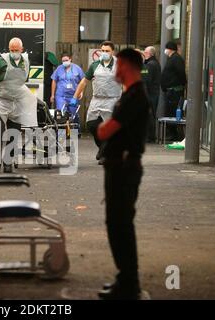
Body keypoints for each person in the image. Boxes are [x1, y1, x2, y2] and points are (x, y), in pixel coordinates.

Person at [97, 48, 151, 300]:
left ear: (128, 66)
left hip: (124, 169)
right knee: (117, 224)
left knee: (121, 225)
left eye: (118, 65)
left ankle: (130, 284)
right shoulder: (129, 94)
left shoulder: (135, 96)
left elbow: (106, 131)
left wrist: (104, 128)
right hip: (119, 166)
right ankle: (124, 279)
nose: (115, 70)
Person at [69, 41, 122, 164]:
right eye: (102, 50)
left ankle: (105, 154)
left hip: (113, 100)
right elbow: (84, 82)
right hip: (97, 100)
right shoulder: (95, 65)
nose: (104, 53)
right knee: (91, 125)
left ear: (112, 52)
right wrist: (75, 97)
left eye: (107, 51)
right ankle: (102, 148)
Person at [0, 37, 37, 174]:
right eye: (12, 50)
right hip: (1, 101)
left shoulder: (26, 62)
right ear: (9, 50)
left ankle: (8, 163)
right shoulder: (1, 62)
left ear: (22, 50)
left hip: (17, 102)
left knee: (14, 133)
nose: (14, 52)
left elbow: (24, 81)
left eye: (16, 50)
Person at [50, 53, 85, 134]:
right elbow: (54, 81)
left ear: (70, 59)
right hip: (61, 95)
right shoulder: (59, 69)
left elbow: (83, 81)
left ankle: (75, 133)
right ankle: (61, 133)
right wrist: (52, 94)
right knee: (61, 113)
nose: (65, 62)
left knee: (73, 114)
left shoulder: (77, 68)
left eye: (66, 60)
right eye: (63, 61)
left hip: (73, 95)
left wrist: (81, 92)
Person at [160, 41, 186, 141]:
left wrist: (180, 85)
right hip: (171, 91)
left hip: (174, 91)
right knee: (170, 111)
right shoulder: (172, 58)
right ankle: (172, 133)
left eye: (166, 48)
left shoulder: (176, 59)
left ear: (170, 49)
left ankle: (174, 134)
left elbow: (181, 74)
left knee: (172, 112)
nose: (165, 51)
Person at [144, 46, 161, 142]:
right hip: (154, 93)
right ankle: (150, 136)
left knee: (149, 115)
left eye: (145, 52)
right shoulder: (155, 63)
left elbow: (147, 80)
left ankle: (149, 137)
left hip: (150, 94)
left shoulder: (150, 65)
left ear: (150, 54)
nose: (144, 54)